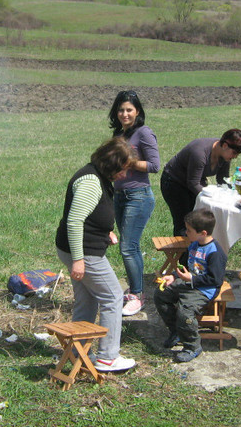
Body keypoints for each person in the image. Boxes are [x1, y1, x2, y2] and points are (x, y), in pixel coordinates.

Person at [55, 137, 137, 372]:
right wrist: (79, 261)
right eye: (122, 170)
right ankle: (108, 356)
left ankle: (77, 352)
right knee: (113, 296)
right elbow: (74, 221)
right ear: (112, 164)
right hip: (83, 253)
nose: (124, 175)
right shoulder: (91, 182)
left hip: (76, 248)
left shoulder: (95, 174)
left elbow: (93, 214)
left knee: (88, 299)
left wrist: (106, 231)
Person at [108, 90, 160, 316]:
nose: (124, 114)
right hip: (120, 196)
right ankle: (135, 289)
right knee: (131, 247)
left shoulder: (144, 133)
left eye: (129, 109)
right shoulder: (120, 134)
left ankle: (138, 296)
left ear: (137, 111)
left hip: (138, 197)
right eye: (121, 110)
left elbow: (154, 166)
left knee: (127, 248)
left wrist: (128, 161)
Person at [154, 209, 227, 363]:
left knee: (185, 311)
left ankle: (192, 346)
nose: (186, 232)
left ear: (203, 232)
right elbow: (188, 268)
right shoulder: (194, 244)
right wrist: (173, 276)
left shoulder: (215, 252)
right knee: (161, 294)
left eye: (189, 230)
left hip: (205, 289)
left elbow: (216, 280)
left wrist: (192, 279)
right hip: (190, 281)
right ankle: (176, 330)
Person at [161, 129, 241, 236]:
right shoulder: (199, 153)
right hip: (173, 182)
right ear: (225, 145)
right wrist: (212, 199)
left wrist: (234, 194)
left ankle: (198, 250)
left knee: (199, 223)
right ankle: (183, 252)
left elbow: (222, 180)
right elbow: (193, 183)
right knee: (185, 223)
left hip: (194, 182)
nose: (235, 156)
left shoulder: (225, 156)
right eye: (235, 153)